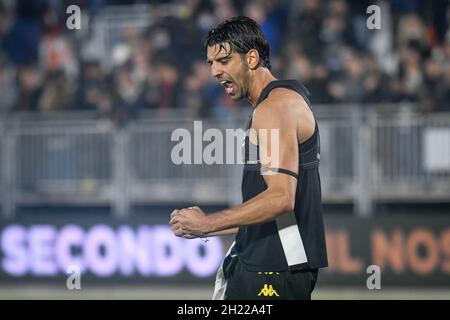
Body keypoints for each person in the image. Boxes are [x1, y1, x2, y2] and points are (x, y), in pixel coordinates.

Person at [170, 16, 328, 300]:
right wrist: (207, 225)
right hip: (271, 265)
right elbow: (275, 209)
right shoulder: (284, 99)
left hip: (272, 271)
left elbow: (281, 199)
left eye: (224, 61)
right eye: (211, 64)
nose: (215, 72)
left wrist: (207, 224)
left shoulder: (274, 108)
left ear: (252, 58)